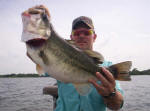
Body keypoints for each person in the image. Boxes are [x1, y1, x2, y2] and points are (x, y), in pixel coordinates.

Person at [54, 16, 124, 111]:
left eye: (87, 33)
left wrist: (110, 93)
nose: (81, 36)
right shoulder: (58, 59)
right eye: (77, 33)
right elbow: (38, 55)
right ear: (71, 38)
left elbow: (117, 106)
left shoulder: (107, 68)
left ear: (94, 37)